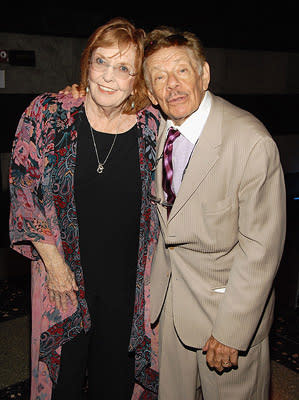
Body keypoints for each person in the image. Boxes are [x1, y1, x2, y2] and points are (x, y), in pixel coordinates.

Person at [9, 18, 160, 400]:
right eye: (101, 62)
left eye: (123, 68)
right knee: (64, 383)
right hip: (63, 283)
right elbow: (23, 190)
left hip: (128, 290)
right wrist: (55, 266)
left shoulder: (153, 128)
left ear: (137, 79)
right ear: (86, 65)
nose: (109, 77)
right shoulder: (48, 115)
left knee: (115, 384)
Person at [142, 27, 286, 400]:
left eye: (182, 72)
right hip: (173, 308)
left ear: (204, 74)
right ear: (151, 93)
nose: (171, 85)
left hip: (226, 315)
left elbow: (261, 250)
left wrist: (232, 330)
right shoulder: (160, 129)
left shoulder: (251, 142)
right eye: (159, 77)